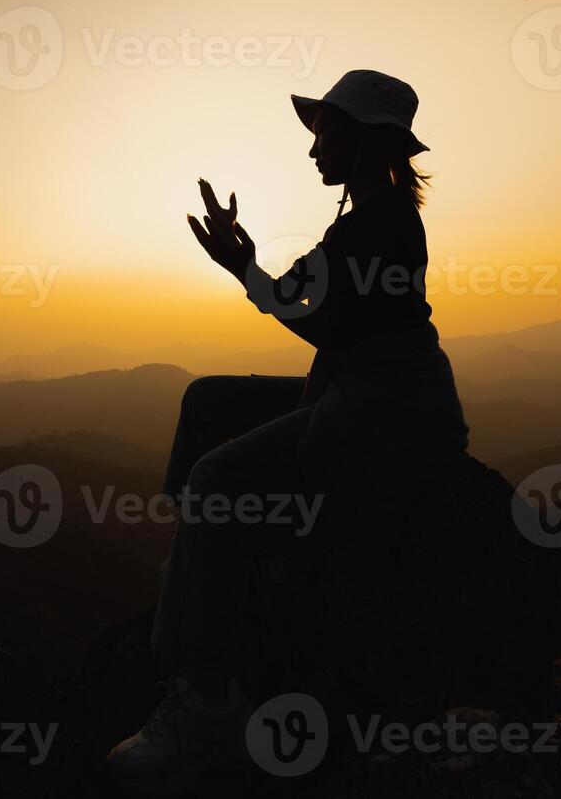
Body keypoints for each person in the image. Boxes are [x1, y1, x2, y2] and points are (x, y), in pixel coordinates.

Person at [105, 70, 471, 797]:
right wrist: (247, 267)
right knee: (206, 401)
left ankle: (208, 700)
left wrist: (243, 266)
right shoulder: (364, 219)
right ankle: (199, 560)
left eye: (324, 132)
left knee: (217, 476)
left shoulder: (384, 225)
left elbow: (324, 324)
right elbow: (312, 316)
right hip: (359, 388)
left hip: (392, 406)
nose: (312, 149)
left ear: (363, 139)